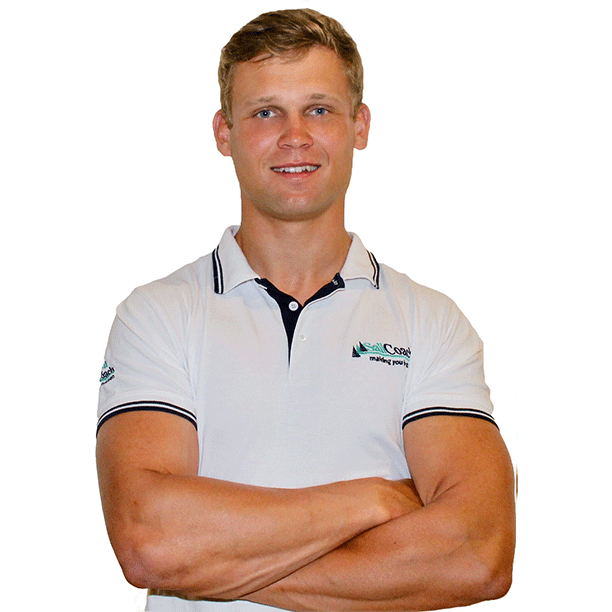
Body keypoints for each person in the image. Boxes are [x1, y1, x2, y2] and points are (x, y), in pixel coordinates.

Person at [96, 8, 515, 612]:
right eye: (266, 112)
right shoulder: (157, 316)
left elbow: (478, 555)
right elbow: (150, 541)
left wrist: (209, 562)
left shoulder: (431, 323)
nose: (295, 136)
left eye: (319, 109)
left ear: (359, 125)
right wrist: (373, 498)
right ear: (224, 133)